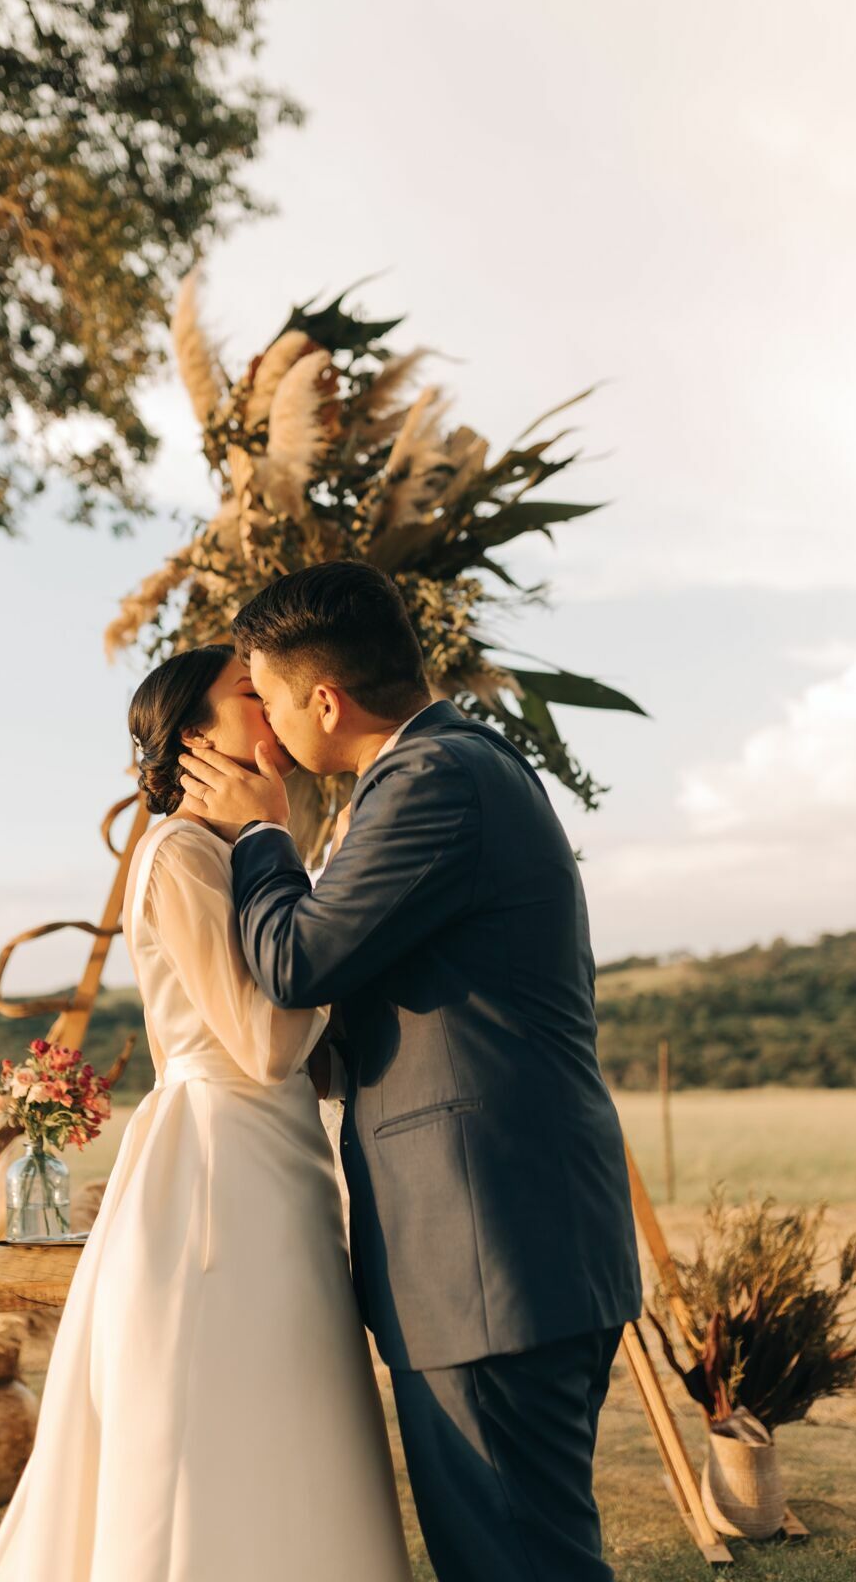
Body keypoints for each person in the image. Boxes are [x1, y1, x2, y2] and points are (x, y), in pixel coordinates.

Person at [0, 642, 411, 1582]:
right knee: (231, 1379)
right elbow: (264, 1045)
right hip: (221, 1161)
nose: (270, 704)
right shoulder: (179, 854)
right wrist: (319, 928)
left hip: (277, 1152)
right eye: (247, 693)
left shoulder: (231, 850)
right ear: (193, 734)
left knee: (288, 1379)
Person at [177, 559, 645, 1582]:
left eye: (269, 700)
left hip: (485, 1254)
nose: (267, 733)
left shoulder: (430, 778)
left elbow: (297, 960)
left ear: (324, 701)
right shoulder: (459, 765)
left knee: (514, 1562)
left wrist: (260, 833)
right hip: (508, 1248)